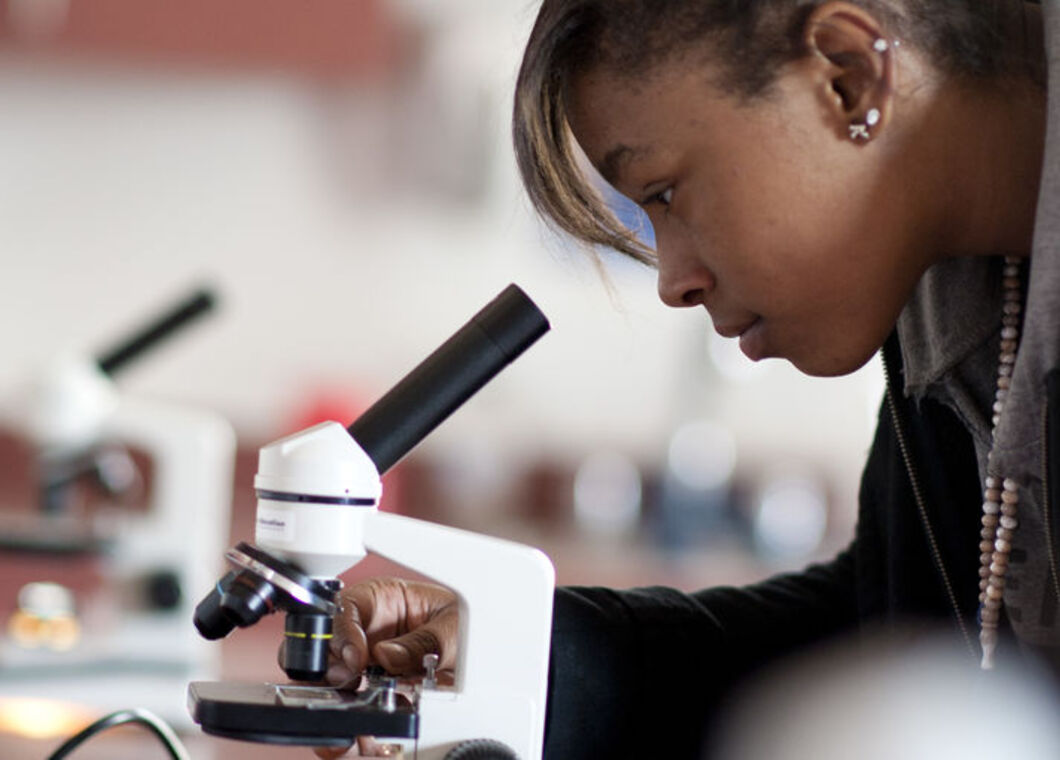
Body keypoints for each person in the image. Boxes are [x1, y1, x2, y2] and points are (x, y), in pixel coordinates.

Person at [313, 1, 1059, 757]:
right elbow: (885, 637)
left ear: (847, 76)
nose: (672, 283)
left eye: (665, 194)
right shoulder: (954, 297)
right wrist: (530, 665)